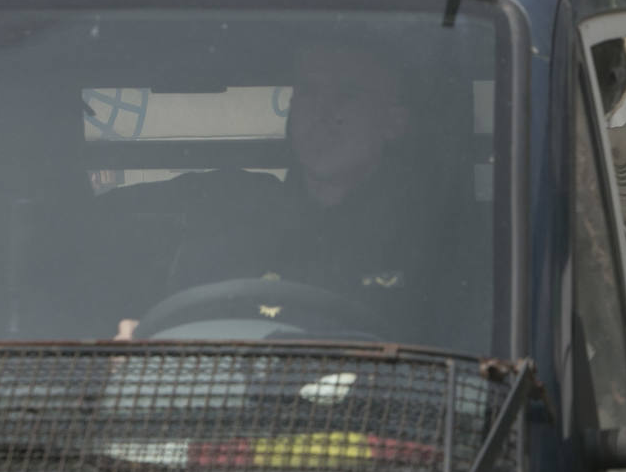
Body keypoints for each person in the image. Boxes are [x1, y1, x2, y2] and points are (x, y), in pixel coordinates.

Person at [116, 42, 422, 339]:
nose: (323, 113)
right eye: (309, 92)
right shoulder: (230, 214)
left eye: (348, 94)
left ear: (393, 123)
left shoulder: (424, 237)